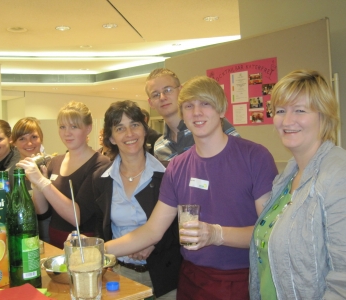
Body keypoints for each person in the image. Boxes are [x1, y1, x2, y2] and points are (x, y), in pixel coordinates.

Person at [104, 76, 277, 299]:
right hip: (192, 280)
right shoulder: (177, 167)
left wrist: (217, 234)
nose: (196, 112)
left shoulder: (255, 157)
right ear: (183, 114)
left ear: (221, 109)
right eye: (189, 106)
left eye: (205, 103)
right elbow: (152, 231)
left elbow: (268, 232)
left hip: (243, 279)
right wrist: (97, 250)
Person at [249, 70, 346, 299]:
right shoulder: (287, 177)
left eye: (300, 110)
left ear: (324, 115)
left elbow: (343, 279)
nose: (287, 120)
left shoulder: (337, 174)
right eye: (281, 111)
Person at [93, 100, 181, 299]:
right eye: (120, 128)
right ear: (111, 138)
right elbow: (101, 227)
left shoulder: (168, 173)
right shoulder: (101, 178)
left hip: (164, 276)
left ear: (144, 129)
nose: (129, 134)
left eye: (135, 125)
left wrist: (152, 242)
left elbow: (180, 226)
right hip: (119, 274)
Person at [17, 101, 110, 249]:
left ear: (88, 128)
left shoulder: (100, 164)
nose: (67, 133)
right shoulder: (55, 161)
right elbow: (42, 211)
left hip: (84, 245)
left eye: (74, 127)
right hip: (54, 243)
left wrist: (42, 182)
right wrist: (36, 184)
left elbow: (77, 217)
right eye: (62, 127)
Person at [145, 68, 240, 161]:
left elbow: (240, 159)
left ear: (181, 91)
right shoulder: (159, 148)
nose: (162, 97)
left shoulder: (209, 125)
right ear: (151, 103)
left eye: (168, 90)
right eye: (155, 94)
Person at [11, 117, 51, 242]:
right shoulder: (11, 174)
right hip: (24, 238)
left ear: (41, 138)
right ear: (14, 143)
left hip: (52, 237)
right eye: (22, 138)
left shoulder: (53, 166)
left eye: (34, 137)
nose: (29, 143)